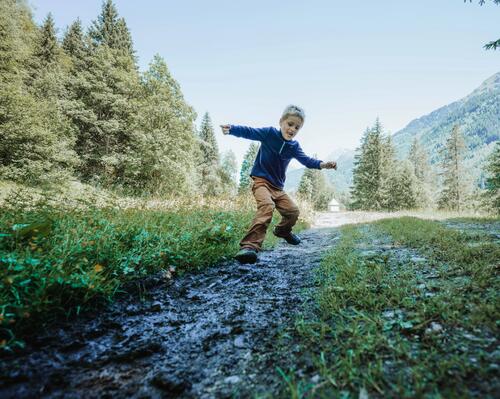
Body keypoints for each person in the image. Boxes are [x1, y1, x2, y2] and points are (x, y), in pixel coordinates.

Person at [220, 104, 337, 264]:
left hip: (278, 188)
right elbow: (250, 132)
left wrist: (323, 164)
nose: (292, 129)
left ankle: (282, 231)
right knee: (267, 206)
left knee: (293, 212)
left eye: (297, 127)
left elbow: (307, 161)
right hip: (261, 182)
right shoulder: (269, 134)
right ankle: (249, 247)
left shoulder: (293, 147)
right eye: (290, 124)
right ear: (281, 122)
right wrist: (232, 129)